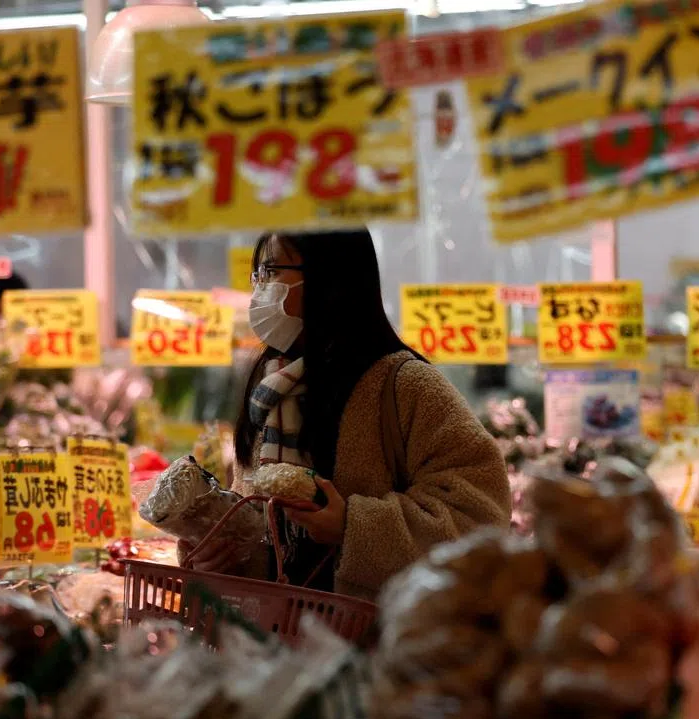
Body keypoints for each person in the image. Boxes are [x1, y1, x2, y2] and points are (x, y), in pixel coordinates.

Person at [184, 229, 511, 599]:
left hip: (375, 628)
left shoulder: (405, 385)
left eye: (272, 271)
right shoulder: (269, 384)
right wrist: (219, 556)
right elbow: (262, 528)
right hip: (275, 628)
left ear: (329, 277)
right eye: (257, 274)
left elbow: (481, 515)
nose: (259, 289)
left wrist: (352, 525)